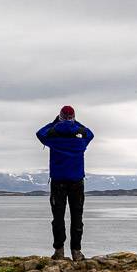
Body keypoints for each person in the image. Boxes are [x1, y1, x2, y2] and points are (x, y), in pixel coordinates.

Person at [35, 105, 94, 261]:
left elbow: (40, 133)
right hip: (77, 181)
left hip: (58, 181)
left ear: (60, 117)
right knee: (77, 217)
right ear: (73, 117)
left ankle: (59, 251)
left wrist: (56, 123)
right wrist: (75, 125)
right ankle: (76, 251)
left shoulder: (53, 136)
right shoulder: (81, 138)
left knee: (58, 218)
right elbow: (90, 133)